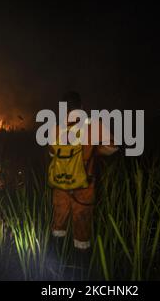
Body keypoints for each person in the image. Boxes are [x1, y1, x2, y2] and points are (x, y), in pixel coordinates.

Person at [48, 91, 118, 257]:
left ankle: (55, 266)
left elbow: (52, 155)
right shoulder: (94, 126)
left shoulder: (56, 129)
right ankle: (80, 270)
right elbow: (113, 147)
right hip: (84, 187)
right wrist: (94, 151)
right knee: (82, 234)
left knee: (58, 227)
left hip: (60, 186)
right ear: (81, 107)